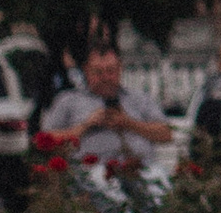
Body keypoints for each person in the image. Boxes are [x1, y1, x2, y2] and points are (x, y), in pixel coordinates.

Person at [40, 41, 175, 180]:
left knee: (159, 184)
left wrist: (128, 123)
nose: (105, 78)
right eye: (98, 72)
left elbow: (166, 134)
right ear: (86, 70)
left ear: (120, 68)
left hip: (142, 167)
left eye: (111, 71)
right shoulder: (69, 100)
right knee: (106, 185)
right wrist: (86, 125)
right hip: (94, 171)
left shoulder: (139, 99)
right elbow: (46, 139)